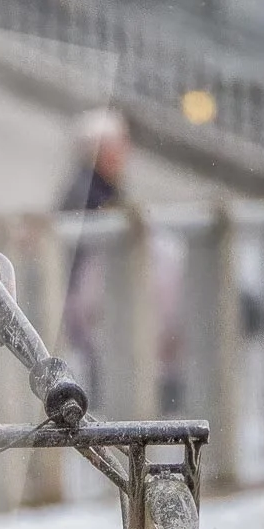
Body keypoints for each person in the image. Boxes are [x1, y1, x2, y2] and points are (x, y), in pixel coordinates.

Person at [57, 110, 188, 411]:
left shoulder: (96, 189)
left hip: (95, 302)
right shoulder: (91, 193)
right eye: (119, 145)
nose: (125, 153)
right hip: (92, 301)